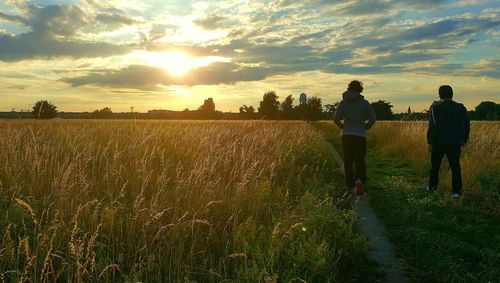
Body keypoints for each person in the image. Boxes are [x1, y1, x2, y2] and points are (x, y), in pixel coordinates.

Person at [333, 80, 376, 195]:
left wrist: (343, 126)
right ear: (359, 89)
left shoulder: (343, 102)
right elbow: (373, 118)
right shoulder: (365, 103)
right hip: (360, 135)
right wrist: (365, 127)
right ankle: (359, 180)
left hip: (346, 134)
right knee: (359, 160)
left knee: (348, 161)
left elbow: (336, 118)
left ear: (349, 88)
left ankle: (350, 186)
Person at [426, 85, 470, 198]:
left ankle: (432, 187)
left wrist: (429, 142)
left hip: (438, 142)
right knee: (455, 166)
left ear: (440, 95)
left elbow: (431, 126)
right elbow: (466, 124)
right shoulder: (461, 107)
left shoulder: (435, 108)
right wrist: (464, 139)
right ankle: (455, 191)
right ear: (452, 94)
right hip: (455, 142)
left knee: (435, 166)